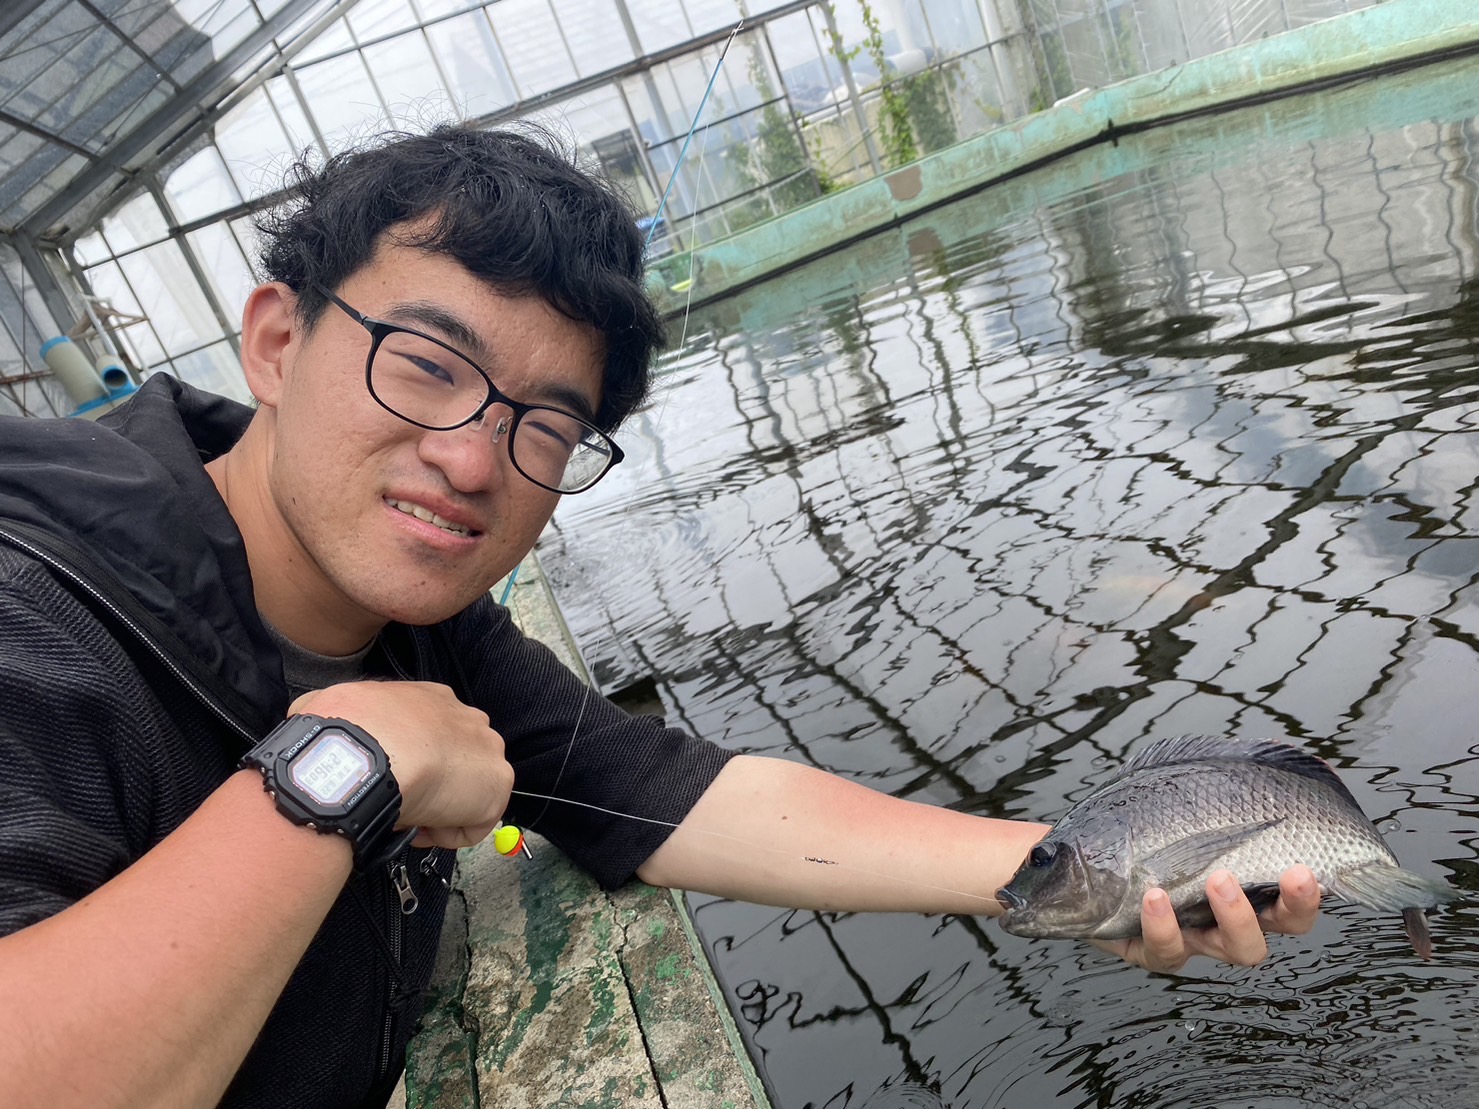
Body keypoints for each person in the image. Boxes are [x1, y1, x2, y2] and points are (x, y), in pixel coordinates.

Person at [0, 124, 1320, 1108]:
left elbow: (667, 795)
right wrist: (347, 764)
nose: (471, 460)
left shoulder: (415, 619)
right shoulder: (37, 604)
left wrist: (1094, 866)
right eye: (428, 366)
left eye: (544, 424)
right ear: (278, 342)